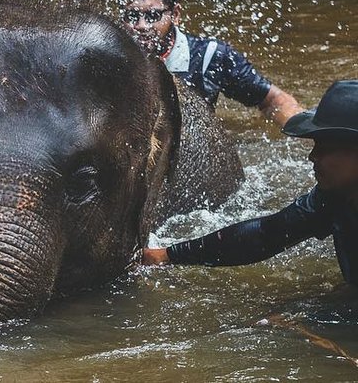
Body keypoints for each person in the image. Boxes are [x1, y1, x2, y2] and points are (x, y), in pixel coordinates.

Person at [143, 79, 358, 286]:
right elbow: (265, 235)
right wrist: (167, 255)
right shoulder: (332, 198)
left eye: (325, 148)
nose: (312, 156)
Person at [118, 0, 303, 126]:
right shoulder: (110, 57)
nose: (141, 26)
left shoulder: (210, 57)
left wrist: (306, 136)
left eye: (153, 16)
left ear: (175, 14)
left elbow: (273, 100)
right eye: (132, 16)